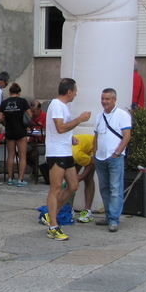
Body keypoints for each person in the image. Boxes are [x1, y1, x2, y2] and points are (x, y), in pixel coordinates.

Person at [44, 78, 91, 241]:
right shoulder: (57, 105)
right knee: (55, 189)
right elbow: (60, 127)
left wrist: (70, 138)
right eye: (75, 91)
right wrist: (79, 119)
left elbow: (61, 130)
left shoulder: (63, 106)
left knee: (74, 185)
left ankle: (52, 216)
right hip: (56, 152)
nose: (76, 94)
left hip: (65, 150)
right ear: (69, 92)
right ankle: (53, 227)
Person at [92, 88, 132, 232]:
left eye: (107, 99)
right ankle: (109, 217)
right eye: (103, 98)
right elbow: (96, 136)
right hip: (101, 157)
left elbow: (127, 136)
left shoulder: (122, 115)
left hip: (114, 157)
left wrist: (117, 152)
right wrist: (94, 153)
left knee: (115, 188)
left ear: (114, 99)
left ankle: (114, 219)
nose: (104, 101)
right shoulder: (99, 116)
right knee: (104, 188)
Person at [1, 83, 30, 186]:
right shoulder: (23, 102)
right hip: (21, 130)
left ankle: (10, 178)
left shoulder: (4, 103)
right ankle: (20, 179)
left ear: (9, 92)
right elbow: (29, 114)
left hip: (9, 130)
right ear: (19, 92)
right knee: (22, 156)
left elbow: (0, 117)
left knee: (11, 155)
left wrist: (5, 121)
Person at [71, 134, 96, 222]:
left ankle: (87, 211)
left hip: (92, 147)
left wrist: (81, 177)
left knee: (88, 178)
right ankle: (69, 209)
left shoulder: (77, 155)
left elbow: (92, 162)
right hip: (79, 148)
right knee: (71, 181)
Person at [26, 100, 46, 176]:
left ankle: (38, 169)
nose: (32, 113)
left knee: (33, 154)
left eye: (34, 111)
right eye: (31, 111)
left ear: (39, 109)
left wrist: (36, 130)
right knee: (21, 151)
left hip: (42, 142)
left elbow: (47, 130)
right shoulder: (30, 117)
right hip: (32, 141)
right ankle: (36, 168)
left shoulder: (45, 116)